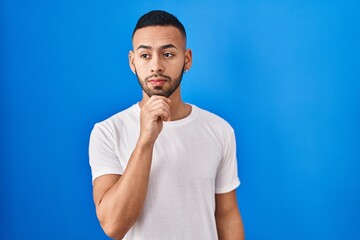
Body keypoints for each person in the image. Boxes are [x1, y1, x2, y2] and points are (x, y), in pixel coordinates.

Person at [89, 10, 245, 240]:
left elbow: (227, 215)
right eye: (145, 56)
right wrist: (145, 141)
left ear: (187, 60)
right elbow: (113, 226)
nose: (156, 66)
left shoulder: (219, 130)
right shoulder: (108, 132)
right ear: (132, 62)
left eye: (168, 54)